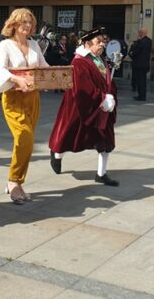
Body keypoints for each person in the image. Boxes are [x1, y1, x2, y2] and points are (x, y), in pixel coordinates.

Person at [0, 8, 50, 204]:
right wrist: (17, 79)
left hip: (33, 98)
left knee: (28, 142)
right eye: (24, 21)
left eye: (30, 22)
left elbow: (43, 66)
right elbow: (0, 69)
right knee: (23, 138)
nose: (27, 25)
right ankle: (13, 181)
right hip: (13, 98)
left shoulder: (34, 44)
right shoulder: (5, 45)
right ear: (14, 24)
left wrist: (54, 78)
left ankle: (17, 181)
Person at [48, 27, 119, 186]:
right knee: (70, 136)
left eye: (103, 41)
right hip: (81, 107)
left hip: (103, 107)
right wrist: (101, 99)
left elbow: (108, 82)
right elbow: (82, 88)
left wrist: (111, 96)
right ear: (87, 43)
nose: (102, 44)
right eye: (98, 42)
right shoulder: (79, 61)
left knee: (105, 139)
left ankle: (101, 174)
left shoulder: (101, 59)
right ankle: (57, 153)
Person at [129, 27, 152, 101]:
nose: (138, 34)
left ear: (141, 33)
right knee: (143, 81)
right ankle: (142, 95)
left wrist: (132, 53)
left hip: (138, 64)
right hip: (145, 64)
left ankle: (141, 96)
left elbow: (135, 52)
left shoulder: (140, 42)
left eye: (139, 32)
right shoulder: (149, 41)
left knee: (140, 81)